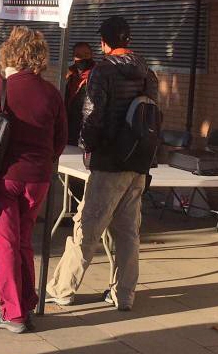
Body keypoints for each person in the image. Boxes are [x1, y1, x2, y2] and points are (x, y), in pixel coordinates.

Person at [46, 16, 158, 311]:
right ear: (129, 40)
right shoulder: (147, 70)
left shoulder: (103, 71)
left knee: (86, 227)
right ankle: (124, 295)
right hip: (139, 161)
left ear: (104, 43)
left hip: (109, 161)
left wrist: (88, 146)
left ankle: (62, 289)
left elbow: (92, 114)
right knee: (128, 232)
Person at [0, 26, 67, 334]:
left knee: (5, 245)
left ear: (10, 54)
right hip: (38, 179)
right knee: (23, 241)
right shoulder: (51, 93)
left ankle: (13, 313)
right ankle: (26, 301)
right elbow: (61, 139)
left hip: (3, 178)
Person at [65, 42, 95, 146]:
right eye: (79, 55)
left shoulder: (97, 75)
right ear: (74, 57)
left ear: (92, 55)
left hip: (86, 130)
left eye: (86, 54)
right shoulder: (68, 74)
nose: (83, 58)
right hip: (68, 128)